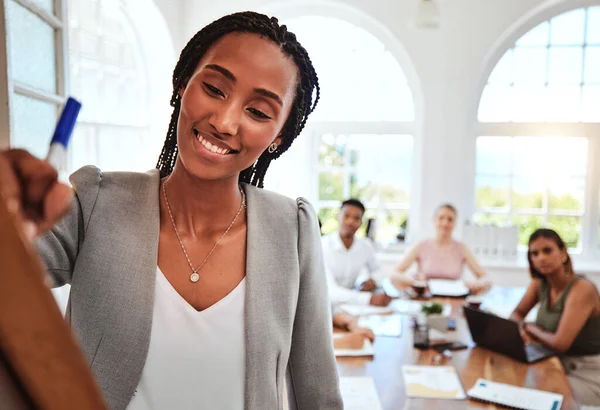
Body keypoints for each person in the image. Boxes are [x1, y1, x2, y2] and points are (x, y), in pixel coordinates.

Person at [0, 12, 343, 410]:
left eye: (259, 112)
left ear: (278, 136)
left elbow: (318, 396)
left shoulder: (293, 230)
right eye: (214, 88)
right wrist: (10, 224)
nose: (226, 122)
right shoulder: (95, 202)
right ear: (183, 84)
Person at [510, 229, 600, 406]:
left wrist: (532, 328)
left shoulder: (582, 289)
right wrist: (519, 329)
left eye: (547, 250)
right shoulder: (539, 284)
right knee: (513, 382)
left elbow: (560, 343)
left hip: (587, 371)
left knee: (538, 397)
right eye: (534, 253)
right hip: (554, 362)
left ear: (563, 253)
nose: (541, 258)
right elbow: (517, 314)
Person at [392, 203, 490, 293]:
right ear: (434, 220)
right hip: (426, 299)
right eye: (441, 218)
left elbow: (485, 279)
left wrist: (474, 285)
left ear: (455, 223)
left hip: (454, 299)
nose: (445, 223)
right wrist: (415, 282)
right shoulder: (421, 245)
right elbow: (395, 274)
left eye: (450, 219)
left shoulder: (462, 248)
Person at [321, 199, 392, 307]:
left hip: (352, 304)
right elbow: (329, 291)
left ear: (361, 222)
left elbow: (379, 271)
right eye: (346, 216)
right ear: (338, 217)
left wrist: (372, 281)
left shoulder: (365, 246)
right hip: (326, 306)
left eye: (356, 218)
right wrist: (368, 299)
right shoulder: (323, 245)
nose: (350, 222)